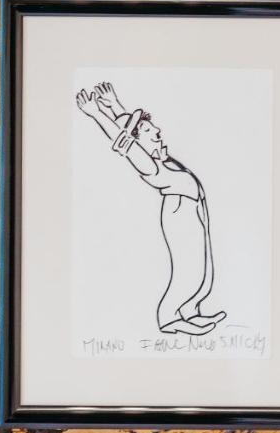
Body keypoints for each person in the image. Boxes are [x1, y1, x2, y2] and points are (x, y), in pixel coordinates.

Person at [75, 81, 226, 336]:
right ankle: (169, 318)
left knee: (204, 271)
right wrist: (98, 113)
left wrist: (116, 106)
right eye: (148, 130)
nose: (156, 130)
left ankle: (190, 310)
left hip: (195, 218)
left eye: (151, 126)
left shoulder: (163, 159)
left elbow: (132, 132)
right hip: (182, 220)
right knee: (188, 270)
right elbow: (128, 144)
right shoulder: (152, 168)